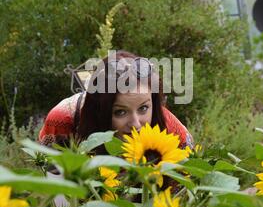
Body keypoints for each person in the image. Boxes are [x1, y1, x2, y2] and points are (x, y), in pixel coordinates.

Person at [39, 50, 194, 151]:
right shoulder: (62, 121)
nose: (135, 124)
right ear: (100, 110)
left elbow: (181, 193)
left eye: (143, 108)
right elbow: (57, 193)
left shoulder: (172, 134)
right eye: (120, 112)